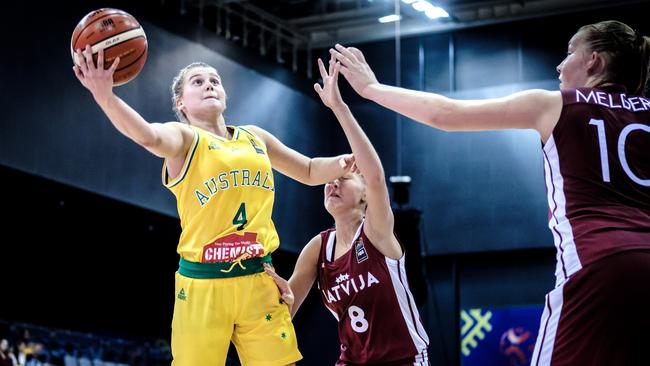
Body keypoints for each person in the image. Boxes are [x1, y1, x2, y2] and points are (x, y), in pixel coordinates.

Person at [329, 20, 650, 365]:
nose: (560, 64)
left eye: (571, 51)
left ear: (594, 61)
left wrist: (372, 89)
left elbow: (445, 114)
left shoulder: (555, 104)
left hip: (596, 264)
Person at [73, 46, 357, 365]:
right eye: (197, 82)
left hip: (258, 278)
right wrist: (106, 97)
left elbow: (307, 170)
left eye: (215, 80)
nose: (209, 84)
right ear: (180, 103)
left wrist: (345, 162)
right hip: (203, 284)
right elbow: (148, 136)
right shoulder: (183, 139)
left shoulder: (255, 137)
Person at [265, 55, 430, 365]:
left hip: (404, 359)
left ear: (365, 193)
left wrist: (339, 107)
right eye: (328, 181)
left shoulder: (376, 231)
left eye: (343, 179)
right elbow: (286, 308)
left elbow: (376, 175)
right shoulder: (318, 248)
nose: (331, 184)